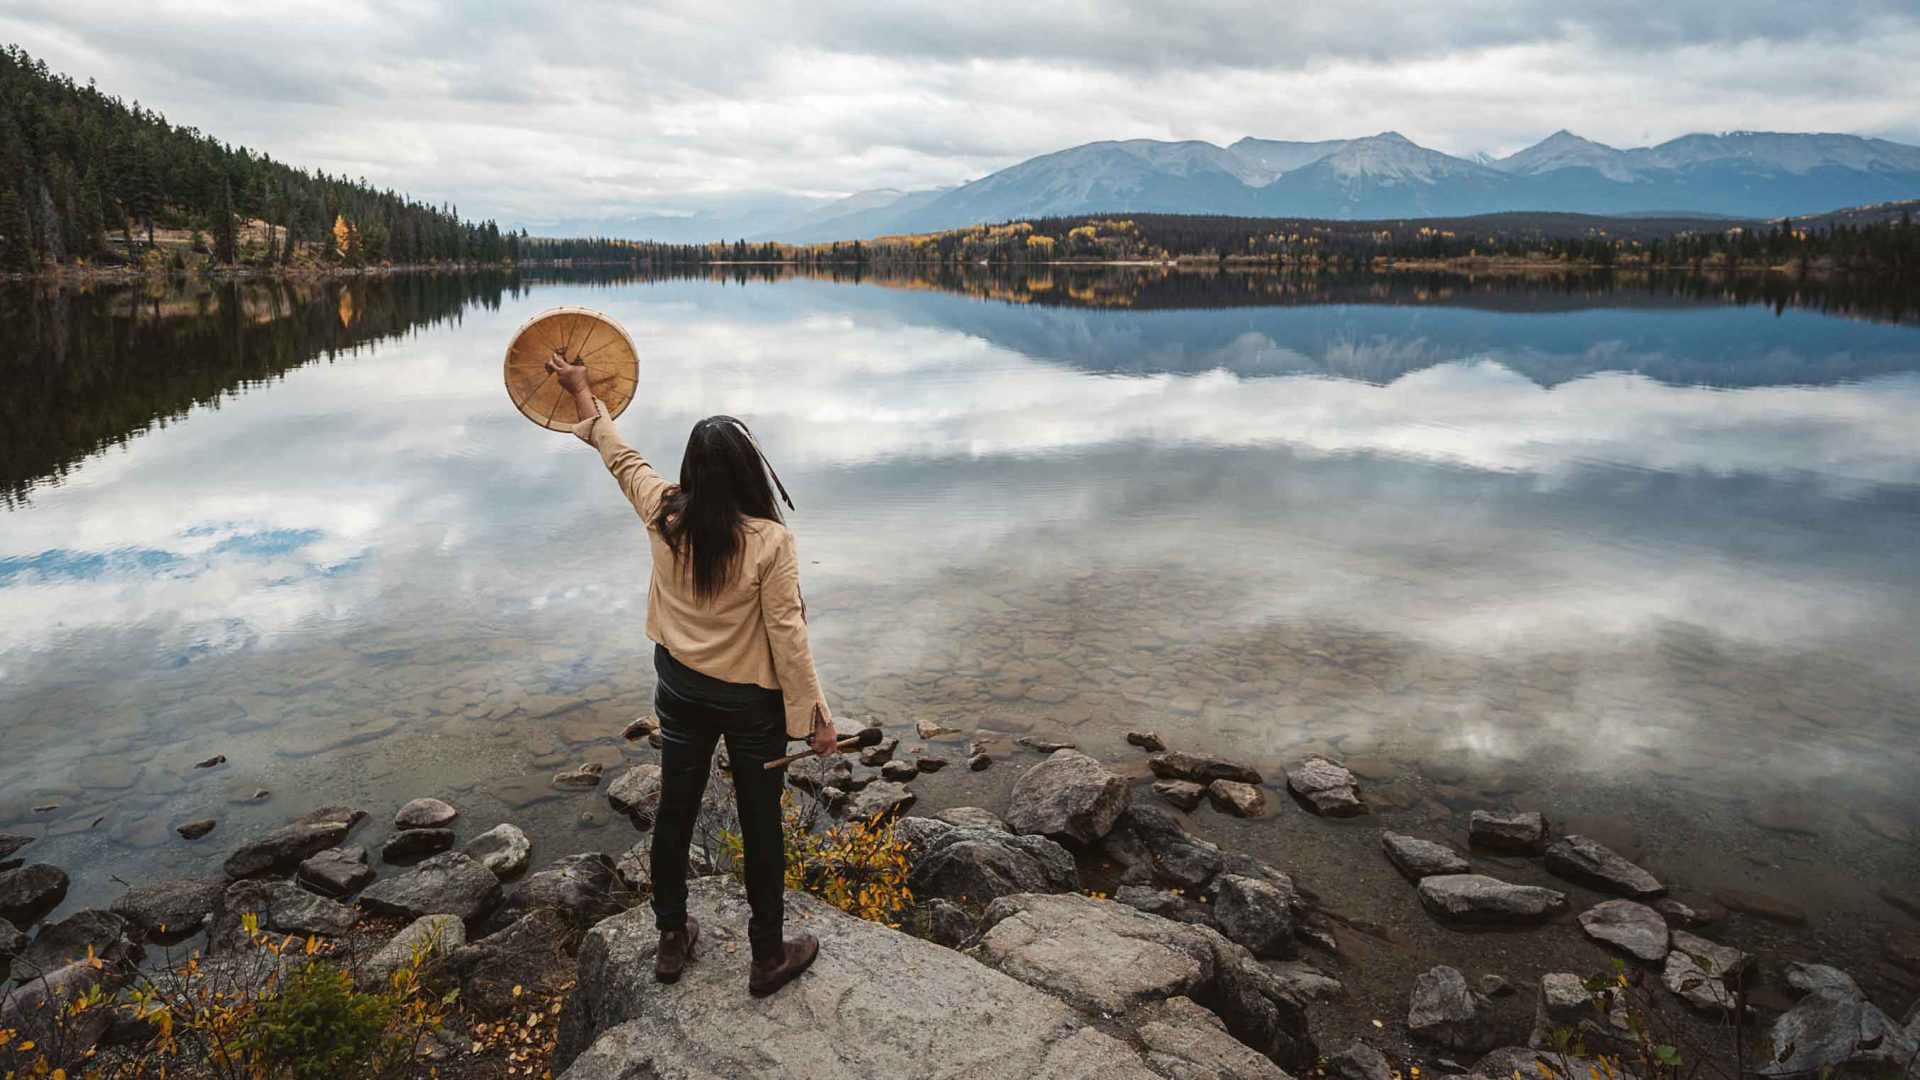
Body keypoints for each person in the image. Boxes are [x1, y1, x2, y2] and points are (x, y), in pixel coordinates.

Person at [549, 354, 837, 997]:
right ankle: (767, 956)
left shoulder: (664, 510)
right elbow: (787, 633)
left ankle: (672, 938)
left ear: (691, 472)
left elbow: (622, 458)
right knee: (761, 823)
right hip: (748, 704)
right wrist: (815, 720)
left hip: (679, 689)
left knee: (676, 810)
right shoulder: (769, 541)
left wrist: (582, 393)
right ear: (747, 473)